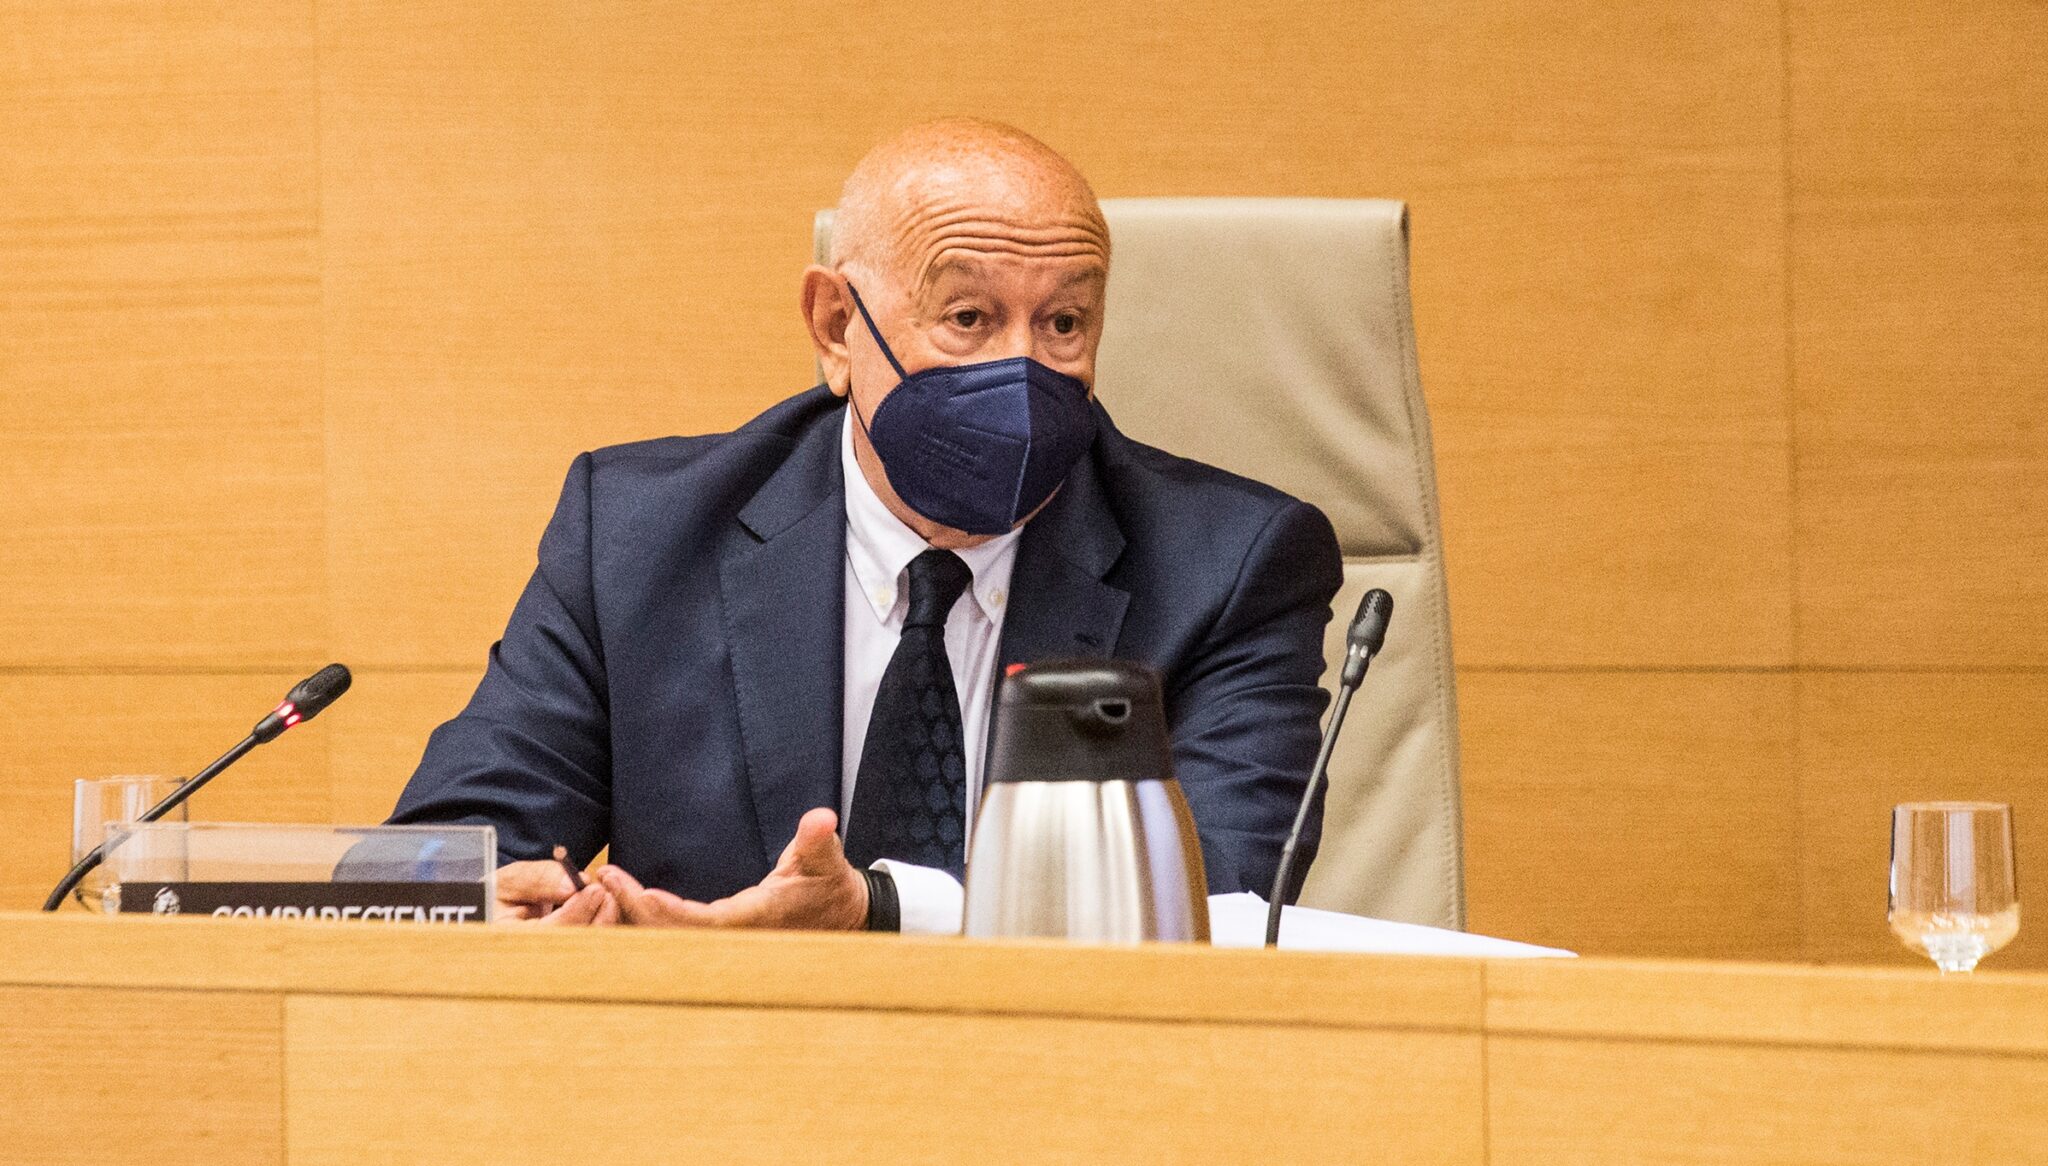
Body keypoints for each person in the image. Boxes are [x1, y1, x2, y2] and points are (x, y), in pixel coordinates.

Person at [387, 118, 1343, 931]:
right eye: (968, 316)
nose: (1023, 370)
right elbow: (443, 855)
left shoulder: (1232, 568)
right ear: (837, 326)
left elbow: (1217, 908)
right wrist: (506, 900)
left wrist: (887, 914)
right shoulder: (639, 533)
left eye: (1064, 324)